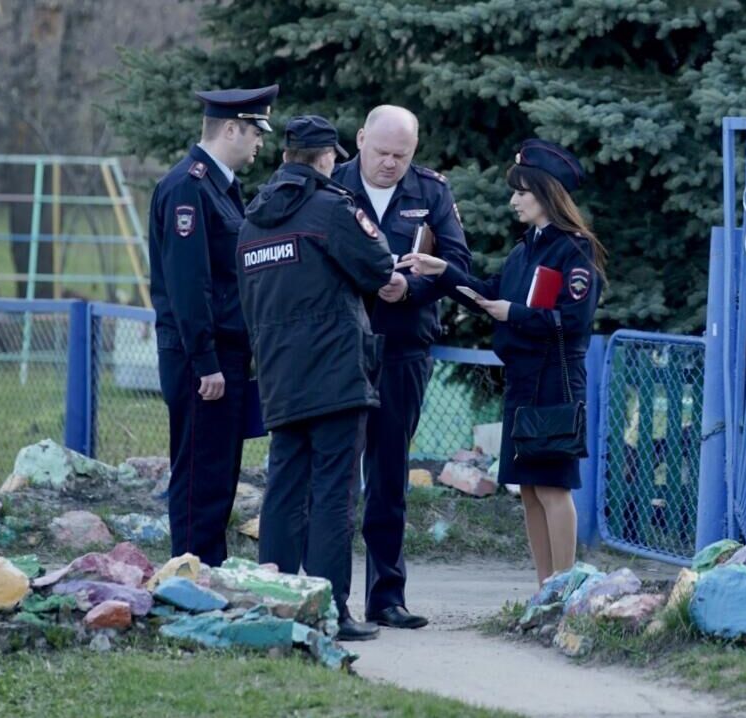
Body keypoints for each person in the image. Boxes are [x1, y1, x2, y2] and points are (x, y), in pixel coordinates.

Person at [398, 139, 605, 586]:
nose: (513, 201)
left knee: (551, 486)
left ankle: (564, 591)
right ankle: (543, 588)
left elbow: (573, 320)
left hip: (556, 381)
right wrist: (443, 272)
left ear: (548, 194)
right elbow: (491, 293)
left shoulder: (574, 250)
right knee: (528, 490)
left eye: (522, 193)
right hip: (523, 380)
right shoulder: (523, 250)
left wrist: (513, 313)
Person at [236, 115, 398, 641]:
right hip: (335, 377)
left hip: (279, 376)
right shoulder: (332, 209)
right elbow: (377, 267)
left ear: (285, 158)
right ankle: (330, 609)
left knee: (283, 489)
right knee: (333, 493)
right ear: (329, 158)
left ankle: (272, 600)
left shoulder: (252, 221)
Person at [332, 105, 472, 630]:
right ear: (361, 139)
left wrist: (410, 287)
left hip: (403, 345)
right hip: (343, 345)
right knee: (337, 474)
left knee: (389, 475)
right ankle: (330, 593)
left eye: (401, 155)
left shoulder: (431, 192)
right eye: (381, 152)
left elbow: (458, 266)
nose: (390, 164)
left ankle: (387, 596)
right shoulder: (334, 185)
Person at [148, 84, 278, 567]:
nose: (260, 142)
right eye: (254, 131)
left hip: (224, 355)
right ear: (230, 129)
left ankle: (209, 570)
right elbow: (188, 285)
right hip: (201, 359)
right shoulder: (188, 187)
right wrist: (205, 361)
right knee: (201, 473)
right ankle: (190, 575)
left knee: (219, 472)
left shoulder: (221, 187)